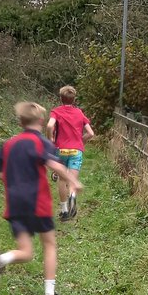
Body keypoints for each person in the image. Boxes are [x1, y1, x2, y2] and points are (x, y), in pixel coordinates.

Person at [0, 101, 82, 295]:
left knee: (26, 252)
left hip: (15, 204)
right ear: (41, 120)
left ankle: (0, 260)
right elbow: (56, 166)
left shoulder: (8, 144)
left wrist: (13, 181)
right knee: (49, 244)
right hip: (37, 202)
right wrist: (74, 181)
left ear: (20, 122)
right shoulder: (41, 143)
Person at [46, 85, 94, 221]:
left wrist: (50, 139)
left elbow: (50, 125)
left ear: (61, 98)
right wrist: (80, 142)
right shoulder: (79, 113)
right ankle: (72, 195)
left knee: (62, 179)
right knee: (72, 180)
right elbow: (90, 133)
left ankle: (64, 211)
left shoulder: (56, 111)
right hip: (76, 151)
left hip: (61, 150)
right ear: (74, 99)